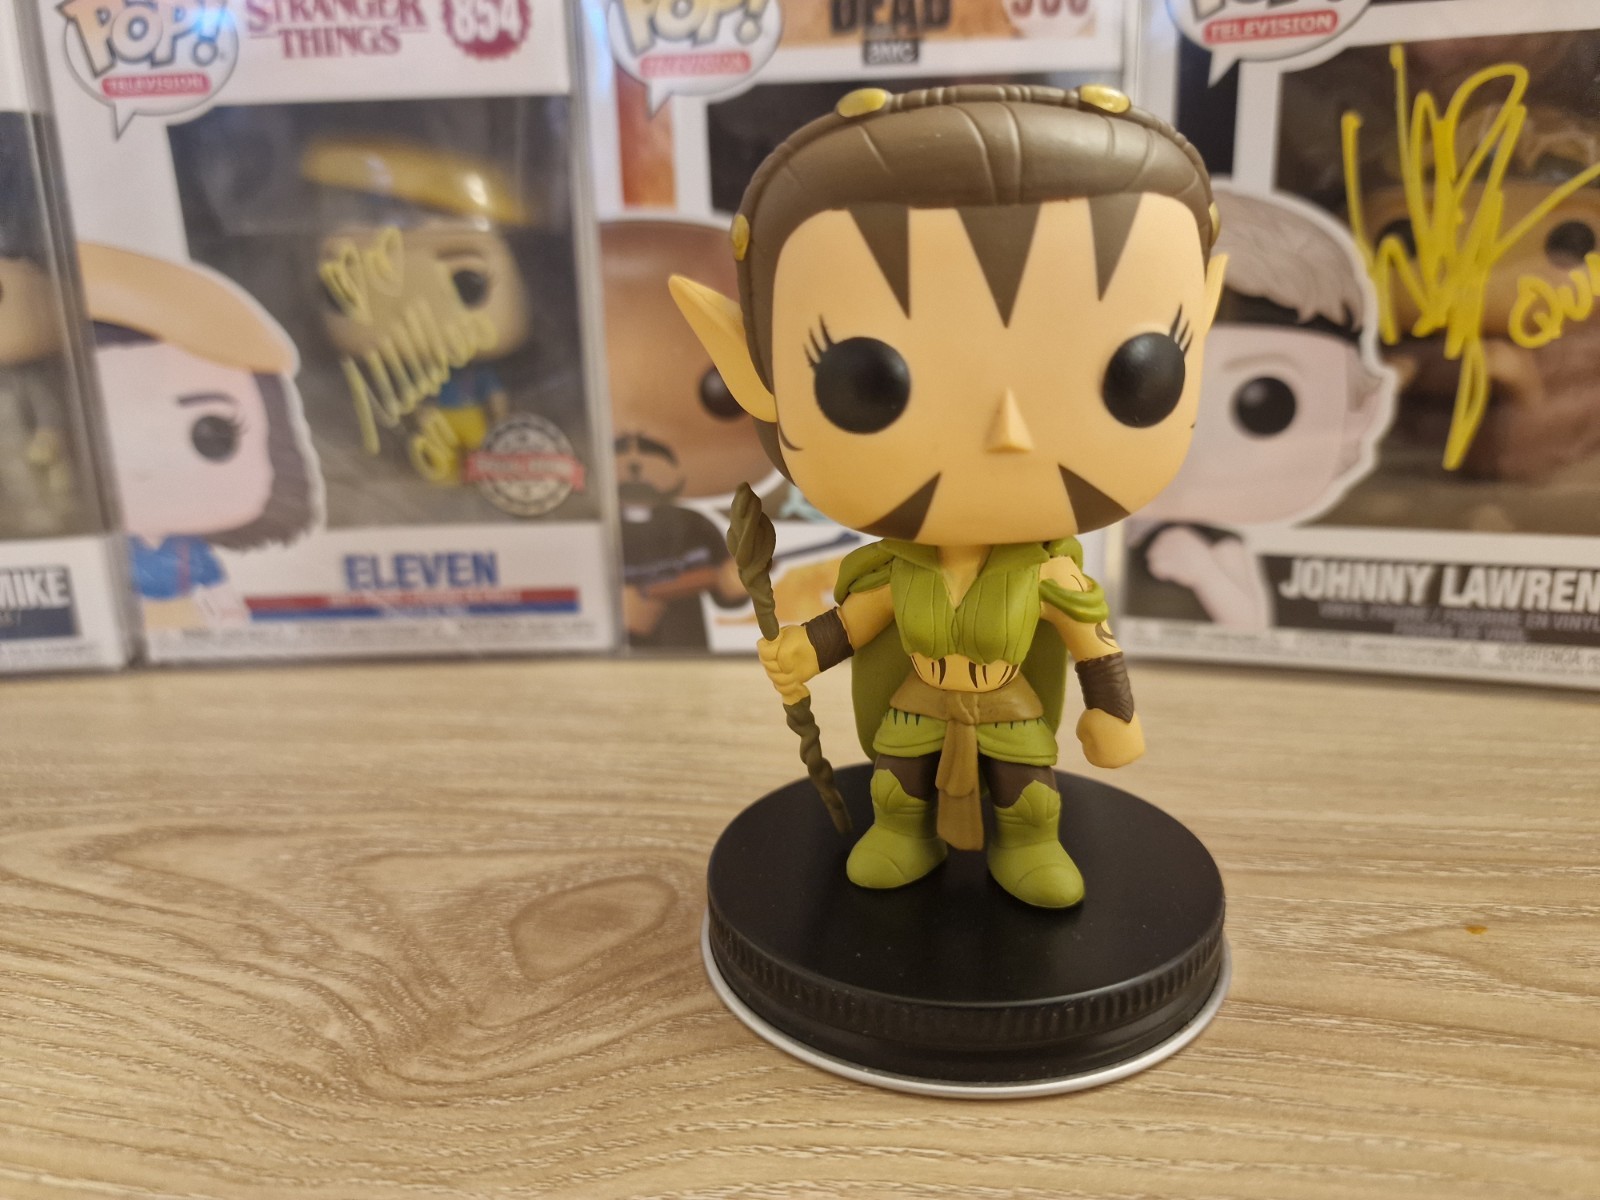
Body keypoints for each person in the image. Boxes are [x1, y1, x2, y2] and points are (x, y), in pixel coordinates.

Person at [672, 84, 1225, 908]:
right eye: (867, 381)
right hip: (918, 695)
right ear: (753, 372)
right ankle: (903, 832)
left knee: (1025, 790)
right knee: (897, 781)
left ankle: (1028, 843)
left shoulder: (1052, 578)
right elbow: (854, 623)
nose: (1009, 432)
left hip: (1009, 700)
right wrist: (803, 652)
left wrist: (1115, 714)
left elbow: (1093, 646)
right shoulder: (895, 575)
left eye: (1134, 373)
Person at [1127, 185, 1392, 628]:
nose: (1195, 442)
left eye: (1266, 406)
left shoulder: (1218, 544)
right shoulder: (1101, 528)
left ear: (1360, 412)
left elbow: (1249, 623)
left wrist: (1203, 571)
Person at [82, 243, 321, 631]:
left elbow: (216, 585)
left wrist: (229, 615)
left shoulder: (189, 551)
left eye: (213, 435)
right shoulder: (109, 550)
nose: (149, 462)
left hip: (184, 619)